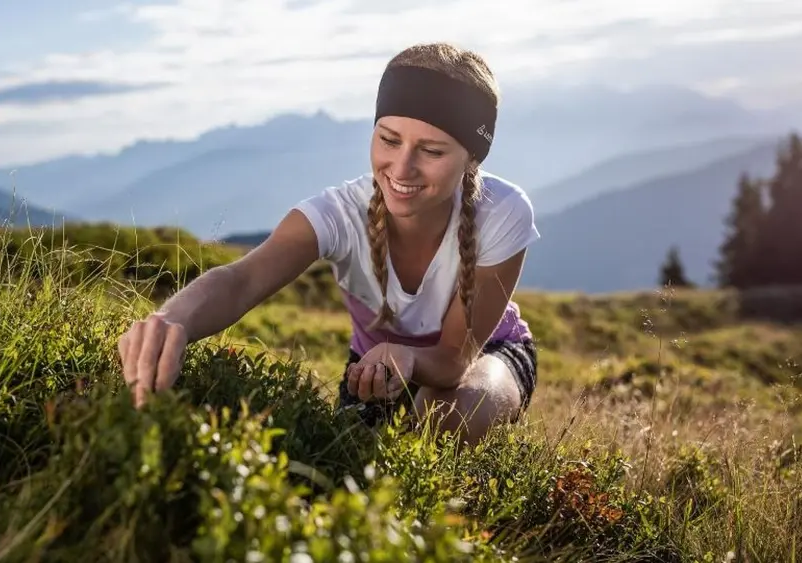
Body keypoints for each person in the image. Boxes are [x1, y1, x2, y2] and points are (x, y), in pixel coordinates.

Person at [118, 42, 541, 446]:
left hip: (488, 354)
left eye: (431, 150)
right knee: (350, 451)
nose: (402, 167)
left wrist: (410, 359)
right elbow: (242, 279)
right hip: (373, 371)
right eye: (389, 139)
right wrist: (171, 321)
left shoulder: (503, 213)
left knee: (443, 419)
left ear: (472, 158)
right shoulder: (339, 213)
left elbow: (454, 359)